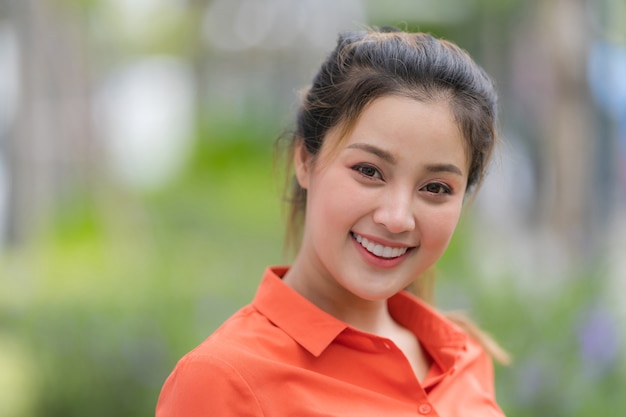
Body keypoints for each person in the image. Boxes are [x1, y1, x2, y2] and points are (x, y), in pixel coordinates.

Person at [156, 27, 509, 417]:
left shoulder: (462, 358)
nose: (396, 219)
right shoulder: (222, 381)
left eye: (436, 187)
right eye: (369, 171)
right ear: (306, 161)